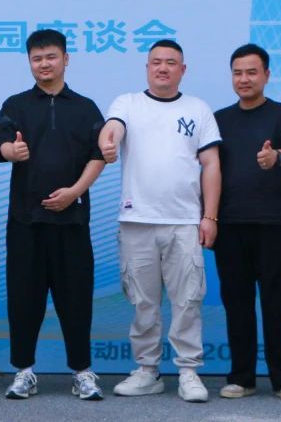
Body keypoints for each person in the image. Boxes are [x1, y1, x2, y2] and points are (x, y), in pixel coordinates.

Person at [99, 38, 221, 403]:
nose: (163, 68)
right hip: (137, 220)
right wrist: (107, 141)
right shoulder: (128, 103)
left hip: (184, 221)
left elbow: (211, 164)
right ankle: (147, 370)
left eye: (170, 62)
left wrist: (209, 216)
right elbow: (113, 128)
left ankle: (188, 371)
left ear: (183, 69)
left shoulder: (198, 109)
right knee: (143, 302)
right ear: (147, 67)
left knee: (188, 300)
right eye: (156, 62)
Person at [0, 29, 106, 402]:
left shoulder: (86, 107)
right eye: (37, 58)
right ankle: (23, 371)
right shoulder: (16, 104)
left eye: (51, 57)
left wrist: (75, 192)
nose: (44, 64)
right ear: (30, 62)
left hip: (72, 222)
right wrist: (11, 151)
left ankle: (82, 372)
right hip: (26, 222)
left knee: (76, 298)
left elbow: (98, 155)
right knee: (23, 298)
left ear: (65, 59)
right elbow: (0, 143)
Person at [212, 44, 281, 402]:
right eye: (238, 72)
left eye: (252, 72)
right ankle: (242, 377)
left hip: (273, 224)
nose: (244, 79)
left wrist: (276, 156)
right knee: (236, 304)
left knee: (276, 303)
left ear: (266, 75)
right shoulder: (219, 119)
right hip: (229, 224)